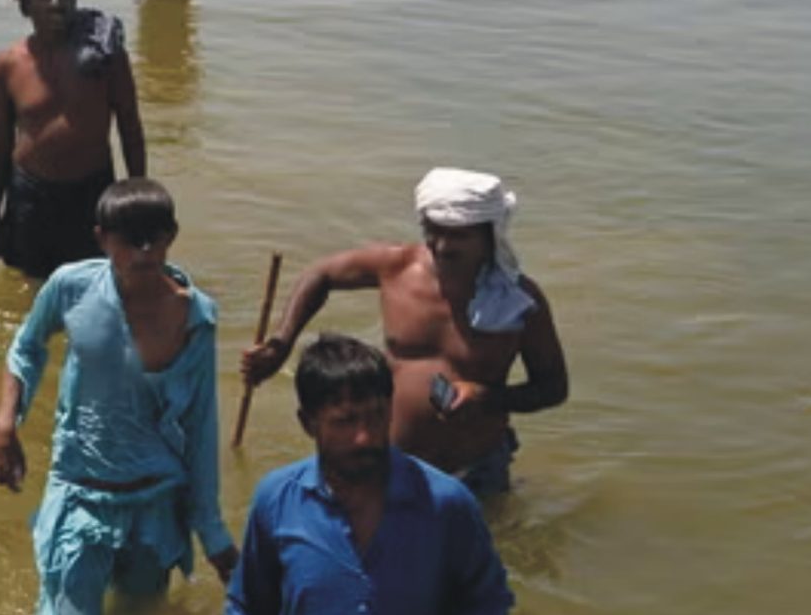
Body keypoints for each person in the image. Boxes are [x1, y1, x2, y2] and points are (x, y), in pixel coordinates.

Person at [212, 333, 514, 615]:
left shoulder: (445, 505)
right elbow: (250, 614)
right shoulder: (278, 501)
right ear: (307, 422)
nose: (365, 436)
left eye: (376, 416)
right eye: (344, 421)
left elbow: (489, 600)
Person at [0, 178, 236, 615]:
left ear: (172, 236)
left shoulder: (197, 318)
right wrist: (4, 424)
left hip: (156, 502)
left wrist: (213, 533)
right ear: (102, 238)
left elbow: (202, 429)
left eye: (154, 238)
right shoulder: (72, 287)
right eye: (129, 239)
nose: (143, 251)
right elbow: (27, 346)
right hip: (83, 492)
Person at [238, 168, 567, 496]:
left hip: (477, 468)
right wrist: (280, 345)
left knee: (480, 546)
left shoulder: (519, 302)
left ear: (490, 235)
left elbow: (554, 388)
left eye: (457, 236)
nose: (441, 246)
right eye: (432, 231)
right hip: (388, 461)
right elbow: (320, 274)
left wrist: (488, 398)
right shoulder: (397, 268)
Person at [0, 0, 146, 278]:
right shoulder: (8, 64)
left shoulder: (105, 58)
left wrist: (137, 200)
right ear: (26, 6)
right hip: (30, 195)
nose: (56, 4)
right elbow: (0, 142)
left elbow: (130, 126)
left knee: (95, 282)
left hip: (92, 193)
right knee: (31, 285)